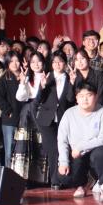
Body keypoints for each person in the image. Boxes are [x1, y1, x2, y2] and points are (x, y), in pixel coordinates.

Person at [57, 84, 103, 201]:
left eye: (89, 95)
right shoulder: (69, 113)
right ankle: (81, 185)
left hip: (96, 151)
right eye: (81, 96)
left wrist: (81, 147)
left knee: (102, 153)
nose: (85, 99)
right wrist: (63, 162)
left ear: (96, 96)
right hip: (77, 154)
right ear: (76, 98)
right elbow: (62, 139)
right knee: (63, 177)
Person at [32, 52, 76, 187]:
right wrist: (42, 86)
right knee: (53, 150)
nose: (57, 64)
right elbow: (38, 100)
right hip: (46, 120)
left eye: (60, 61)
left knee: (64, 148)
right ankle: (55, 181)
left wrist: (72, 83)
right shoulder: (47, 77)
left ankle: (63, 179)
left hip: (63, 119)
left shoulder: (70, 77)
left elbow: (70, 99)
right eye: (54, 62)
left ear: (65, 63)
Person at [11, 52, 50, 185]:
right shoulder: (27, 78)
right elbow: (20, 97)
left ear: (43, 63)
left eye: (38, 61)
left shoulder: (48, 77)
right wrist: (22, 82)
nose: (36, 64)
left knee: (40, 144)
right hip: (27, 114)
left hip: (42, 112)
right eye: (33, 62)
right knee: (26, 145)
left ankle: (40, 178)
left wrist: (44, 85)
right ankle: (23, 178)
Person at [0, 51, 25, 167]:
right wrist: (8, 111)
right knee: (10, 150)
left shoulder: (25, 76)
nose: (15, 64)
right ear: (7, 63)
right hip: (10, 120)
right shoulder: (4, 78)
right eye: (11, 61)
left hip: (25, 118)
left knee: (23, 150)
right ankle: (9, 174)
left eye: (17, 60)